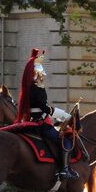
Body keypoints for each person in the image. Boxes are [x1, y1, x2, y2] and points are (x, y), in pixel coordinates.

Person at [15, 48, 78, 180]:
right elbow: (45, 108)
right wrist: (65, 116)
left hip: (31, 123)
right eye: (41, 73)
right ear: (37, 74)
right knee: (65, 142)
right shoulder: (38, 89)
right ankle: (63, 170)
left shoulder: (27, 89)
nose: (43, 76)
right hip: (41, 125)